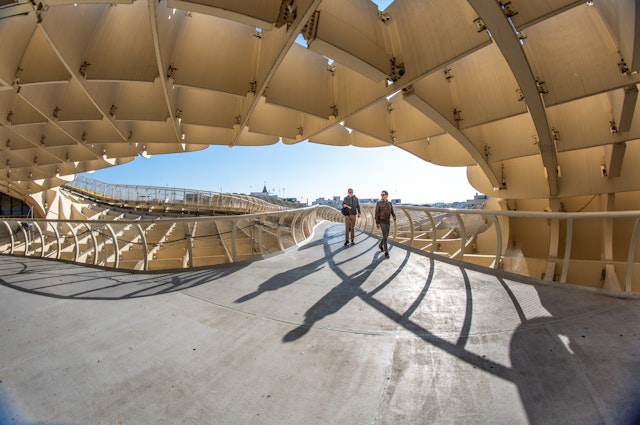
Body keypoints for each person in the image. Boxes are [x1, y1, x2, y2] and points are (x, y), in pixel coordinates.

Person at [375, 190, 396, 258]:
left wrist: (394, 216)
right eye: (381, 195)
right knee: (385, 236)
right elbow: (376, 213)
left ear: (386, 195)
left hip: (387, 221)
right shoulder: (379, 203)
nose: (382, 196)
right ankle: (386, 252)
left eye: (383, 195)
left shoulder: (389, 203)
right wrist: (377, 222)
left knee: (386, 236)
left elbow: (392, 210)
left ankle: (380, 245)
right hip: (382, 221)